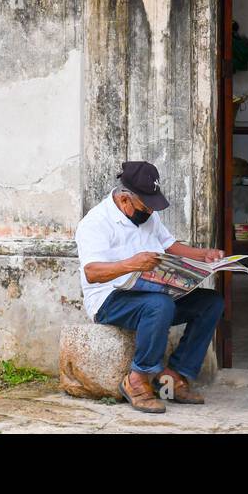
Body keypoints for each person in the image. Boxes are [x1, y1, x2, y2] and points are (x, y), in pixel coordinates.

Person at [75, 160, 225, 413]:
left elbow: (169, 246)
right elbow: (92, 273)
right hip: (110, 300)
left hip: (152, 294)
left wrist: (204, 255)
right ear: (125, 199)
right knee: (159, 305)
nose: (150, 212)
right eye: (145, 206)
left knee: (211, 302)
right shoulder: (95, 223)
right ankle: (137, 379)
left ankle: (175, 375)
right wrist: (131, 264)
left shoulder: (147, 214)